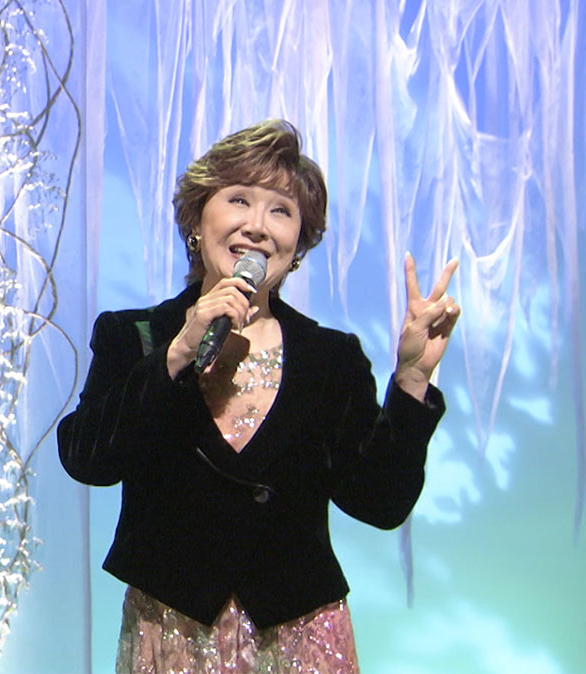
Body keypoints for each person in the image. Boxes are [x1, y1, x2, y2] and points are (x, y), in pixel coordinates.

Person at [56, 120, 460, 673]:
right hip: (173, 636)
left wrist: (412, 378)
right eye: (239, 199)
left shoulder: (330, 357)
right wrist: (178, 353)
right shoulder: (136, 335)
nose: (257, 226)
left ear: (297, 245)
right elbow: (87, 459)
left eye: (281, 211)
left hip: (301, 639)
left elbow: (380, 501)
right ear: (197, 219)